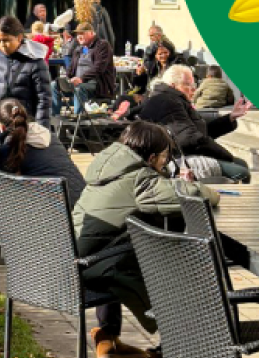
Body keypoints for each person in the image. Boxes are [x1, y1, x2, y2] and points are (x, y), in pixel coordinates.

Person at [73, 121, 219, 358]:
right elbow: (191, 195)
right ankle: (180, 345)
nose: (166, 161)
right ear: (151, 158)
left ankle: (111, 339)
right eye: (164, 156)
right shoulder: (140, 179)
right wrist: (204, 189)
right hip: (95, 269)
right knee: (176, 266)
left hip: (73, 264)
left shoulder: (109, 170)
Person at [0, 99, 84, 243]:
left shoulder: (7, 151)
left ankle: (28, 242)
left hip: (50, 216)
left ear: (1, 126)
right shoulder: (52, 139)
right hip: (80, 207)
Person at [137, 65, 254, 184]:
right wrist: (226, 156)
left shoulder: (174, 99)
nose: (194, 89)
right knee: (241, 172)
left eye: (194, 85)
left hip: (187, 153)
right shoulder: (167, 101)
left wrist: (230, 118)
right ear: (173, 85)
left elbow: (199, 132)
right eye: (188, 85)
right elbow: (189, 139)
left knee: (241, 165)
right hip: (176, 160)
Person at [0, 16, 53, 170]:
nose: (2, 45)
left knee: (22, 168)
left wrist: (42, 130)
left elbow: (44, 99)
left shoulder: (36, 62)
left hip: (26, 124)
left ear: (19, 37)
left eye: (6, 40)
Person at [51, 23, 116, 117]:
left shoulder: (102, 45)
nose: (79, 37)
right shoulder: (79, 49)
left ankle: (79, 121)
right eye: (77, 34)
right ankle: (56, 118)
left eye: (82, 34)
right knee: (54, 85)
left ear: (91, 33)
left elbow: (99, 68)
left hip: (97, 84)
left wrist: (81, 79)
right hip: (78, 82)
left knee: (79, 88)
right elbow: (71, 68)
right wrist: (67, 78)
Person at [113, 43, 177, 120]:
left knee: (148, 102)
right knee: (122, 98)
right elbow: (139, 85)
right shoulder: (153, 67)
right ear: (156, 56)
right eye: (160, 54)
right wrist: (139, 74)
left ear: (170, 53)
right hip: (147, 95)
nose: (163, 56)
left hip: (161, 98)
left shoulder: (173, 68)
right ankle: (117, 120)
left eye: (165, 53)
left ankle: (128, 114)